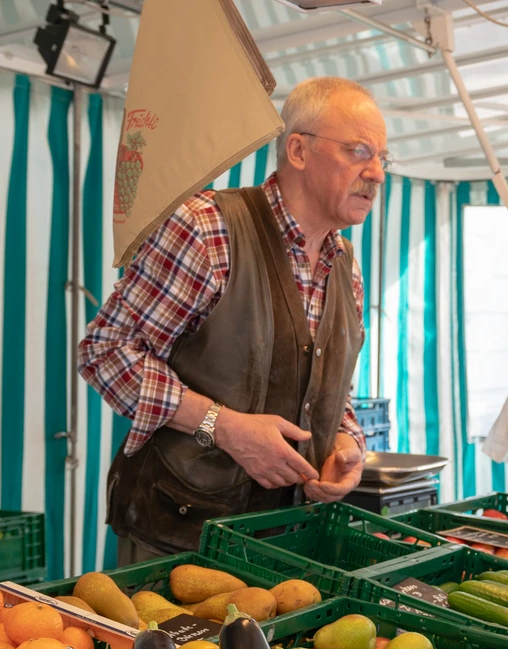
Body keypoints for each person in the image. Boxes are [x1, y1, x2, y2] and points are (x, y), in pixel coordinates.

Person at [79, 77, 385, 564]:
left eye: (383, 158)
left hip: (289, 545)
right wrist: (221, 427)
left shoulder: (346, 265)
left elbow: (331, 389)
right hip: (178, 542)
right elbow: (106, 352)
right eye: (359, 151)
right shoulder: (207, 228)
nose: (377, 174)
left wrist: (346, 439)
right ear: (298, 150)